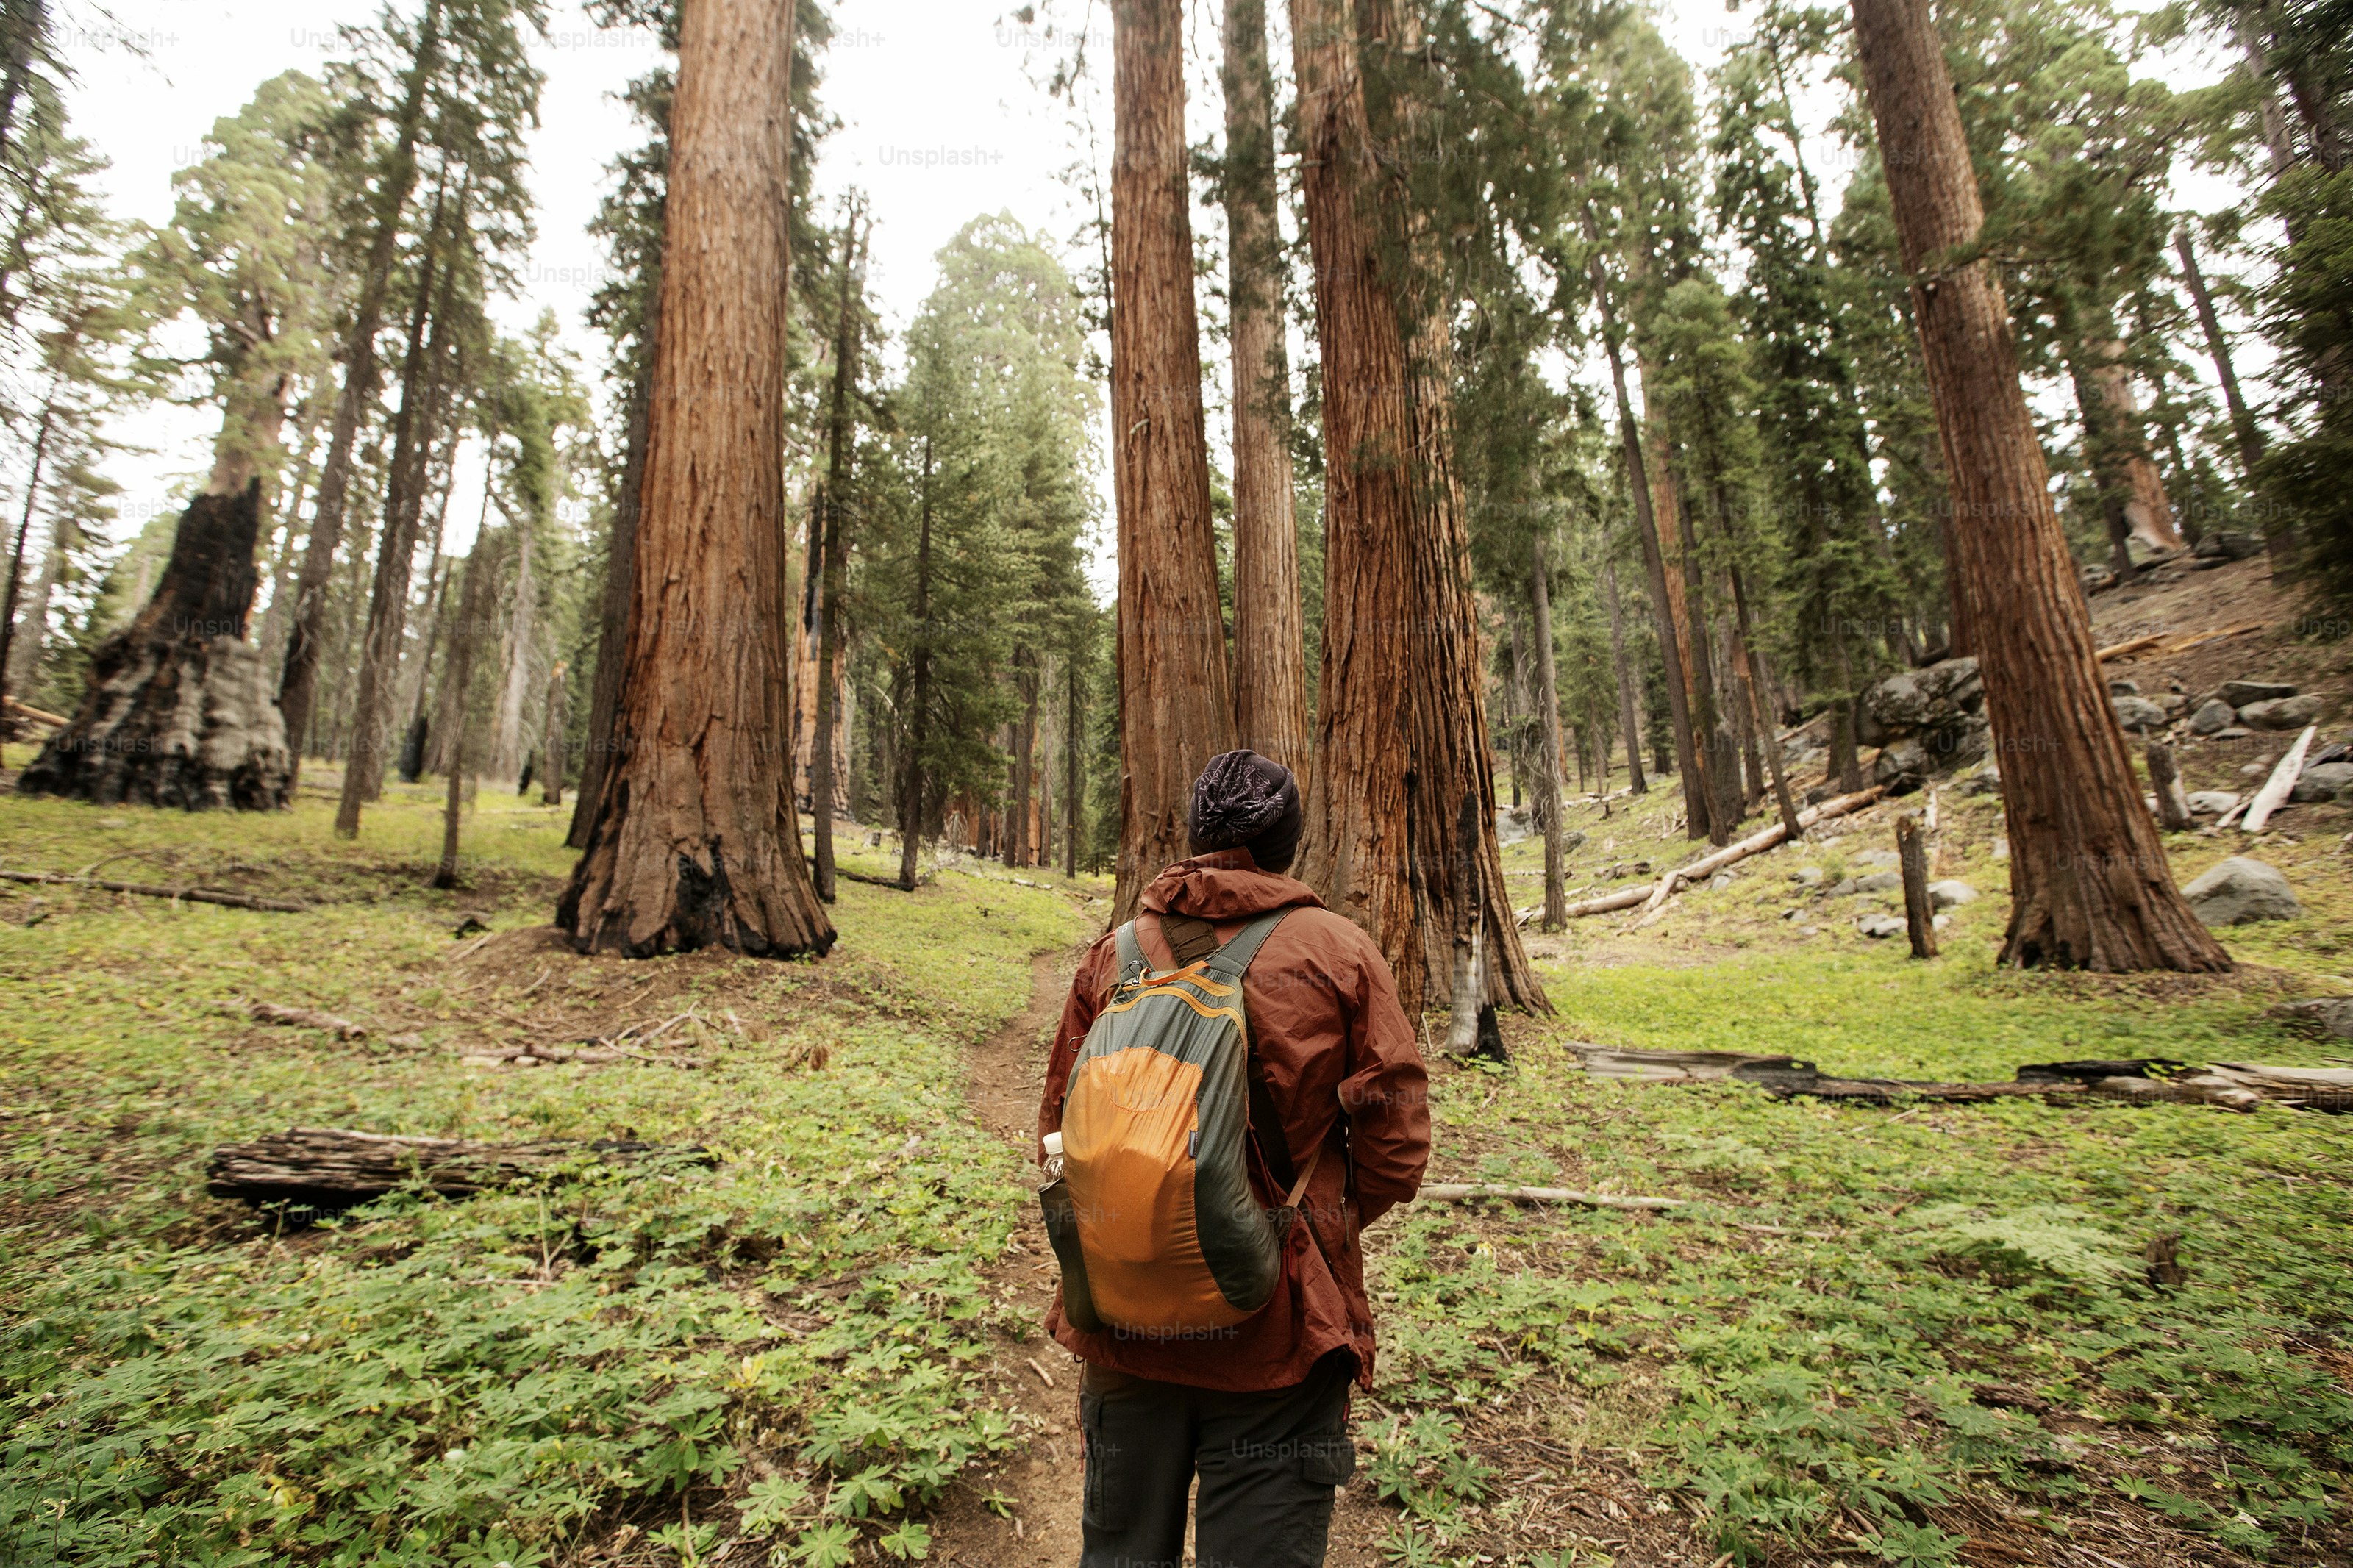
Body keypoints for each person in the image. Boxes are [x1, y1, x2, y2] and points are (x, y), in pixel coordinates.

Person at [1038, 749, 1430, 1568]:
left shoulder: (1116, 953)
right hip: (1277, 1333)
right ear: (1290, 842)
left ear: (1194, 835)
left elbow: (1056, 1128)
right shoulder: (1339, 952)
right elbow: (1395, 1148)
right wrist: (1309, 1223)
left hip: (1124, 1318)